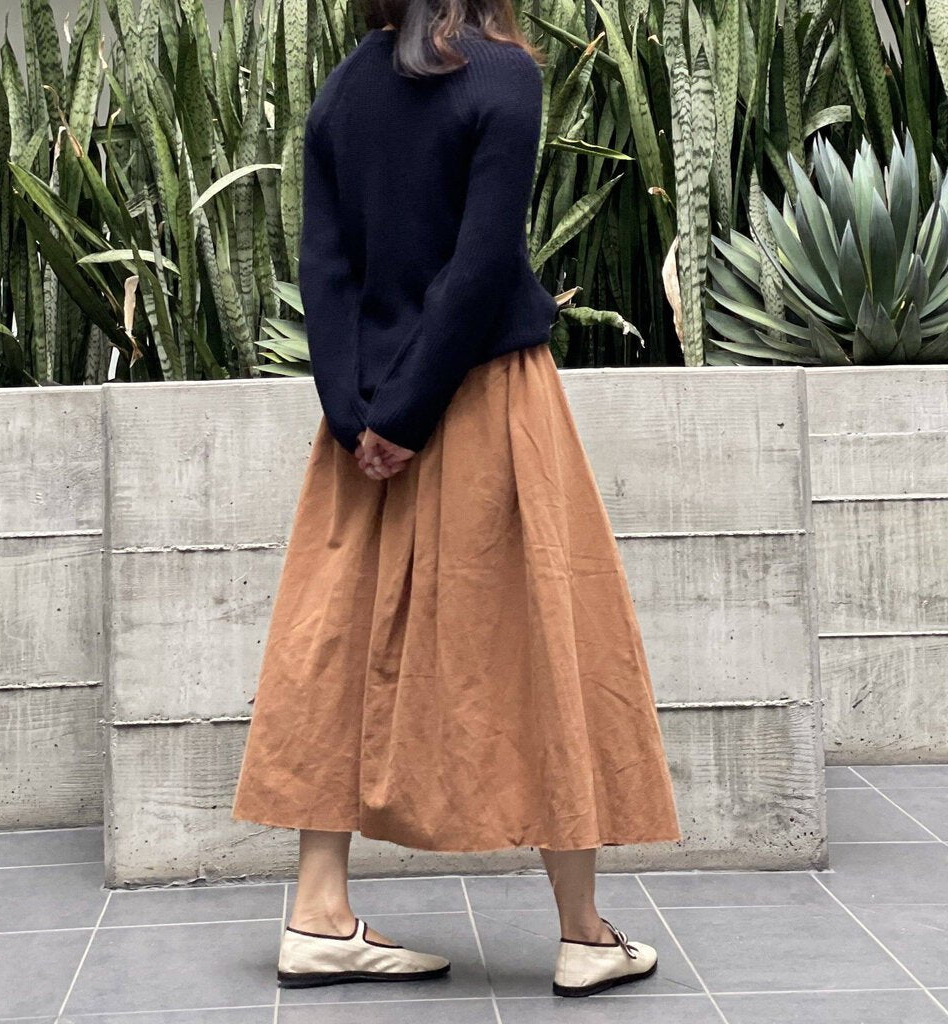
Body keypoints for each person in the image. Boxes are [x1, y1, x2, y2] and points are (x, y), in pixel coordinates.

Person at [230, 0, 682, 998]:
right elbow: (480, 267)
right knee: (543, 639)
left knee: (337, 647)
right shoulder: (503, 74)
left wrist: (356, 414)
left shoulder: (345, 87)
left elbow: (325, 266)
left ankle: (318, 913)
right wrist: (410, 413)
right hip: (484, 400)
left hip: (362, 428)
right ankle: (583, 933)